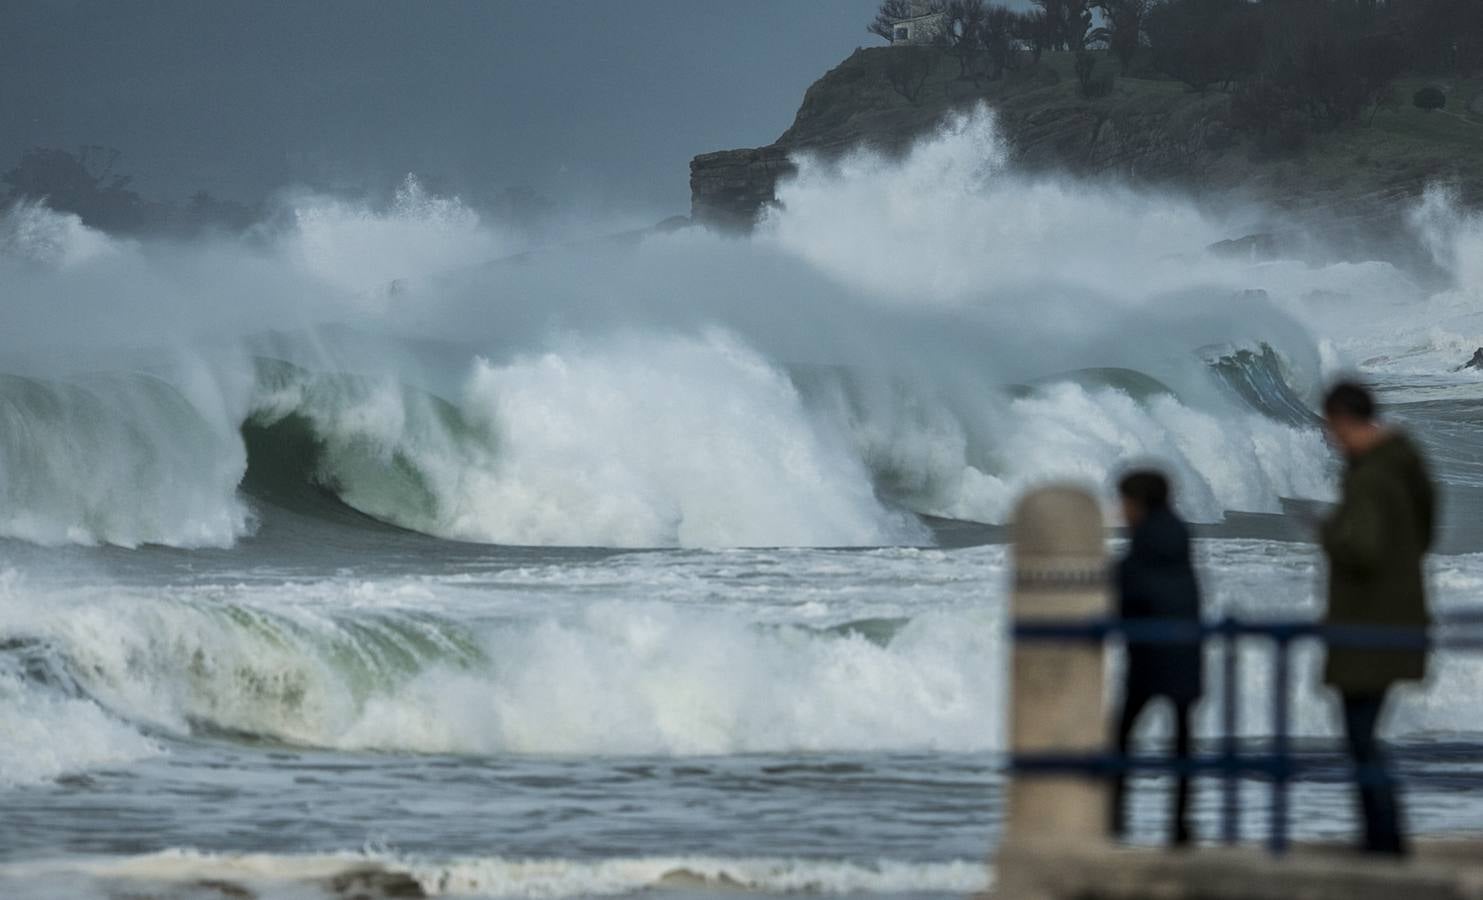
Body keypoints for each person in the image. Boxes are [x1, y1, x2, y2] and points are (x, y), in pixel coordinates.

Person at [1319, 381, 1435, 856]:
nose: (1330, 437)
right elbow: (1423, 531)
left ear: (1345, 420)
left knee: (1360, 737)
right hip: (1401, 616)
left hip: (1368, 624)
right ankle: (1383, 836)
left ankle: (1383, 839)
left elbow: (1361, 547)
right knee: (1366, 735)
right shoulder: (1406, 465)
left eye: (1330, 426)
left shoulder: (1369, 478)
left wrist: (1328, 532)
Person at [1110, 469, 1203, 847]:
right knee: (1181, 742)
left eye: (1125, 502)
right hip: (1184, 652)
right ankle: (1180, 826)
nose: (1122, 511)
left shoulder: (1149, 539)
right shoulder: (1175, 532)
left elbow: (1133, 584)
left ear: (1139, 502)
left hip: (1155, 655)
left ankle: (1115, 822)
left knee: (1120, 740)